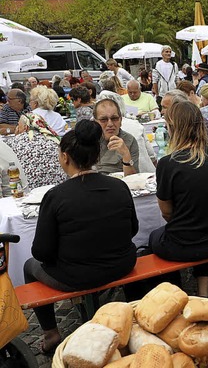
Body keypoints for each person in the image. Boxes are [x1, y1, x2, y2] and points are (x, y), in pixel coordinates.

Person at [23, 119, 138, 354]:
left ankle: (51, 333)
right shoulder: (119, 187)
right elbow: (133, 229)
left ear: (65, 157)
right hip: (122, 264)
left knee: (28, 266)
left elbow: (41, 252)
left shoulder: (56, 196)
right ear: (97, 156)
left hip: (78, 275)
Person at [151, 101, 208, 297]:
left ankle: (175, 293)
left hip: (185, 245)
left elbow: (166, 212)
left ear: (173, 128)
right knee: (200, 229)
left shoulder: (167, 164)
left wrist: (184, 223)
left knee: (154, 237)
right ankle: (202, 290)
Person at [4, 112, 66, 189]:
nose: (17, 128)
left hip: (29, 189)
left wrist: (16, 136)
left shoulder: (15, 141)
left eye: (18, 126)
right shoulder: (53, 139)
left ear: (25, 127)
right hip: (58, 187)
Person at [94, 98, 139, 175]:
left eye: (114, 119)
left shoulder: (129, 141)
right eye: (103, 120)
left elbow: (133, 178)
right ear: (95, 122)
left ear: (121, 120)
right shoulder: (89, 139)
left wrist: (126, 155)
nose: (110, 124)